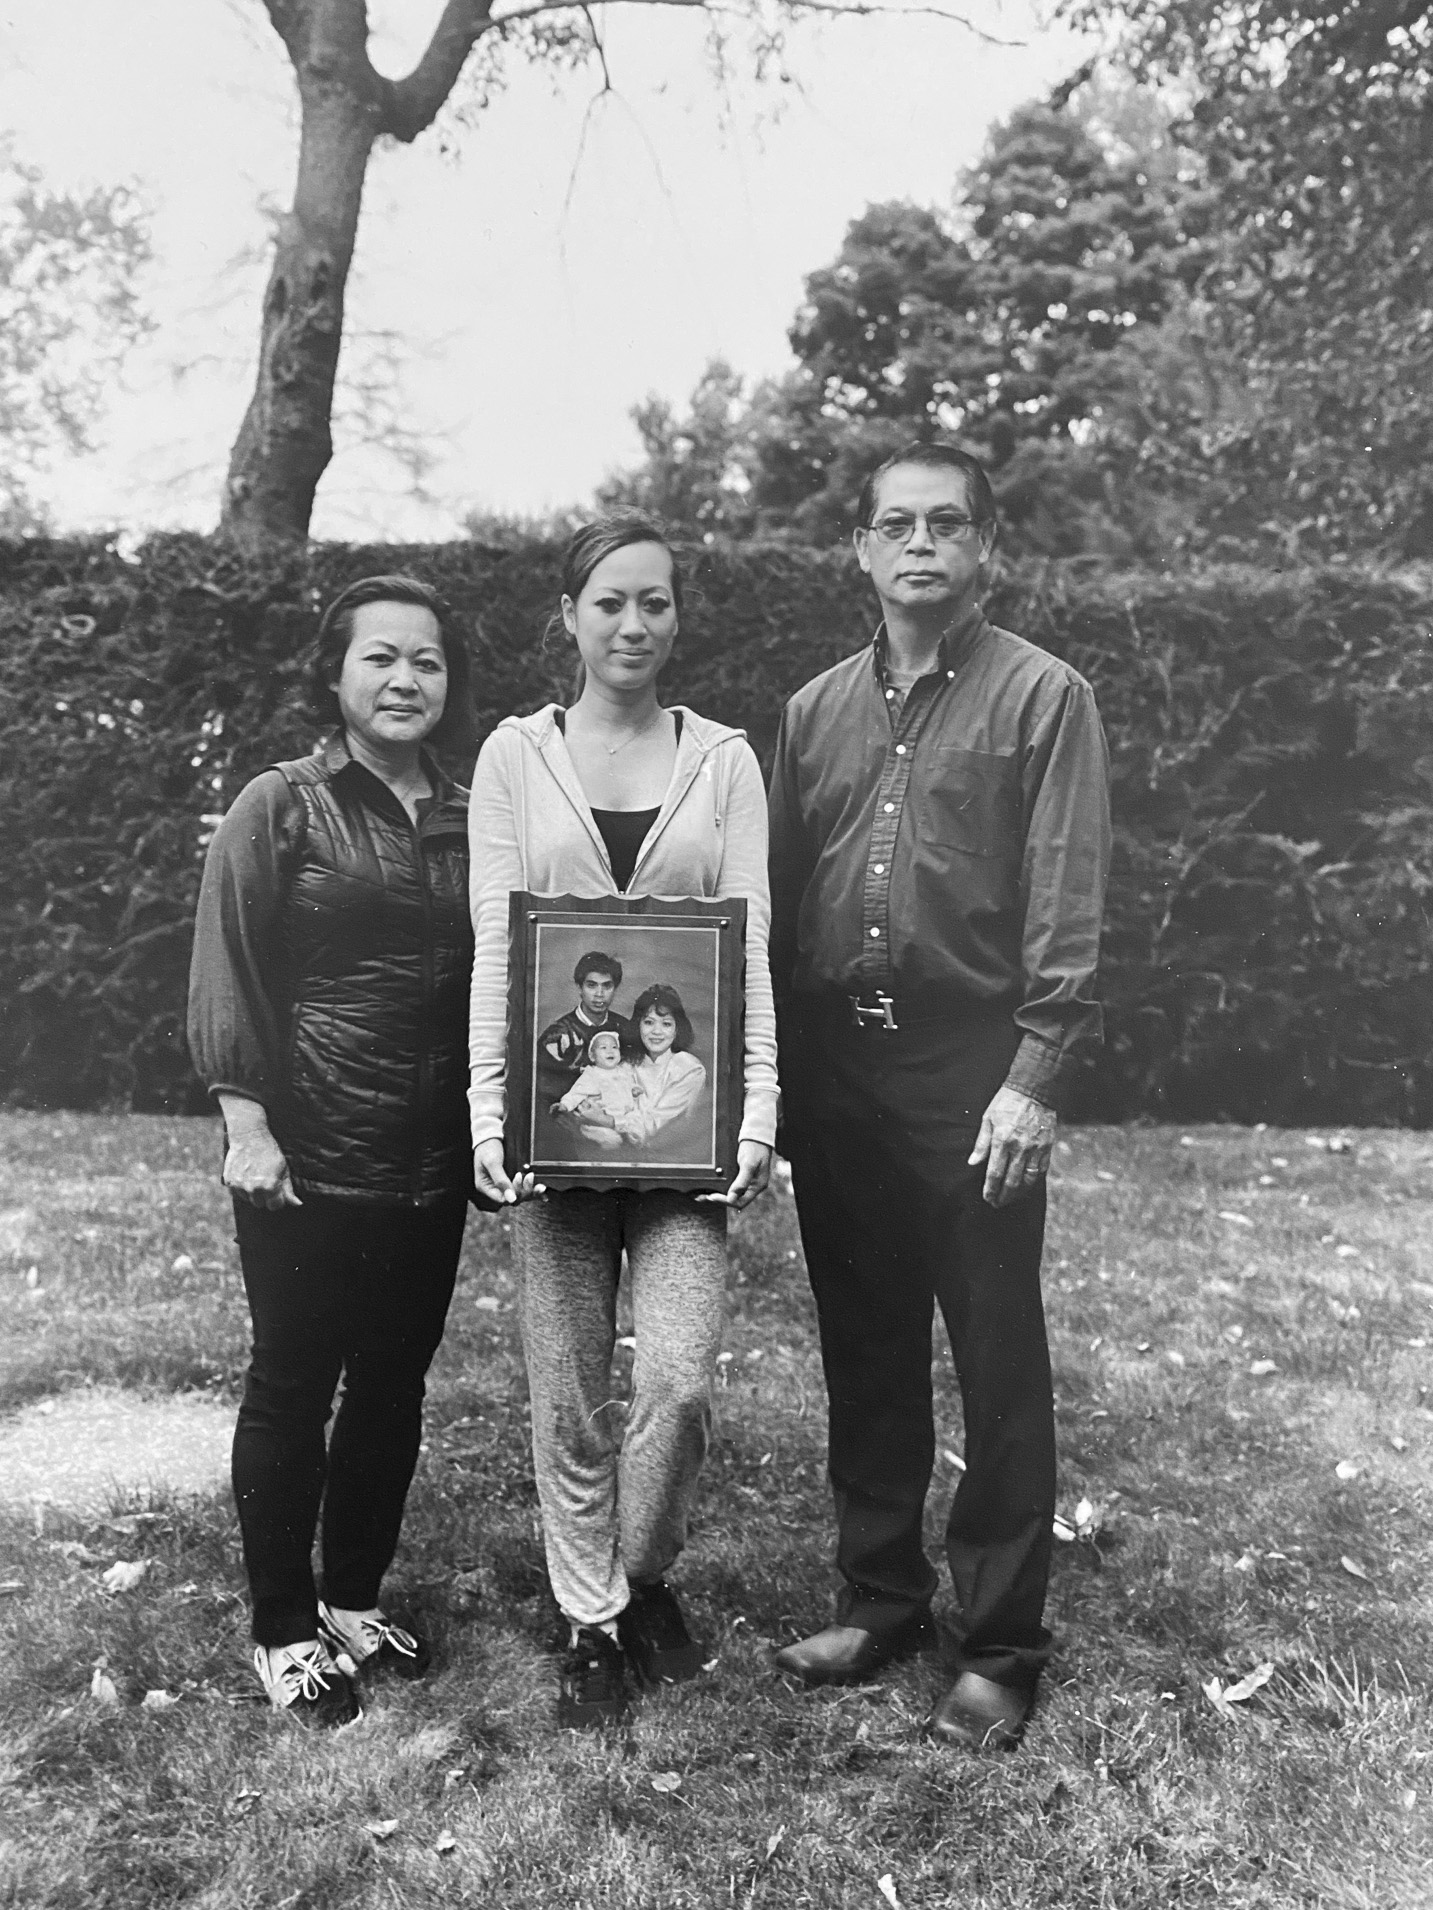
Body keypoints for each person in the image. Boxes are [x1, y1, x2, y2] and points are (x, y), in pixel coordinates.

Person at [766, 442, 1111, 1752]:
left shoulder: (1044, 699)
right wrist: (779, 1085)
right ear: (860, 550)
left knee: (994, 1352)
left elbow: (1068, 908)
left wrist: (1034, 1075)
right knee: (863, 1343)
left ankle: (1001, 1641)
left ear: (985, 548)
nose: (920, 543)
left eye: (946, 523)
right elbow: (778, 902)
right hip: (839, 1066)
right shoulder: (808, 713)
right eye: (894, 524)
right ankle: (880, 1598)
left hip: (970, 1067)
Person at [467, 515, 778, 1728]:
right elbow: (500, 942)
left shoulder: (725, 761)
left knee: (682, 1383)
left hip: (683, 1135)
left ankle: (639, 1571)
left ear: (676, 616)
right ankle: (589, 1615)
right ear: (569, 613)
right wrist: (492, 1113)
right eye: (608, 602)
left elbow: (747, 945)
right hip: (559, 1130)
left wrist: (754, 1110)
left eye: (653, 602)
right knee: (566, 1384)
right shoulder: (513, 756)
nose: (632, 625)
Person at [187, 573, 477, 1728]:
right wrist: (244, 1119)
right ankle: (283, 1626)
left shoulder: (471, 811)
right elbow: (227, 963)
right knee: (294, 1381)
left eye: (427, 662)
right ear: (336, 673)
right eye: (381, 658)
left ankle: (352, 1597)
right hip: (306, 1159)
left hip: (430, 1165)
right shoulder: (283, 804)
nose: (405, 679)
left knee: (393, 1386)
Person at [537, 950, 632, 1110]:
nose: (599, 994)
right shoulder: (557, 1036)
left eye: (607, 986)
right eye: (591, 985)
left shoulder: (624, 1029)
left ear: (615, 989)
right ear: (580, 988)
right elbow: (543, 1096)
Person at [555, 1027, 645, 1126]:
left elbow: (629, 1084)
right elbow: (577, 1093)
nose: (610, 1051)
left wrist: (634, 1090)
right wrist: (565, 1105)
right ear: (592, 1056)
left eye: (614, 1047)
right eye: (603, 1048)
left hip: (623, 1118)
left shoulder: (623, 1071)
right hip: (600, 1118)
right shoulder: (592, 1075)